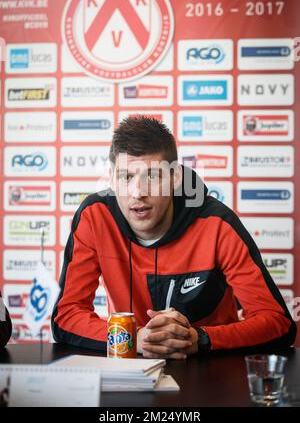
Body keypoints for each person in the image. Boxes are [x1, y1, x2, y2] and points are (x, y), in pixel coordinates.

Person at [52, 116, 296, 359]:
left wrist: (200, 338)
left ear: (175, 179)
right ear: (112, 179)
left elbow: (277, 322)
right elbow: (67, 316)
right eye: (126, 177)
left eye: (152, 176)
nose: (138, 192)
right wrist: (133, 338)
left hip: (211, 368)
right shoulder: (95, 216)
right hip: (131, 365)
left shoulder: (217, 223)